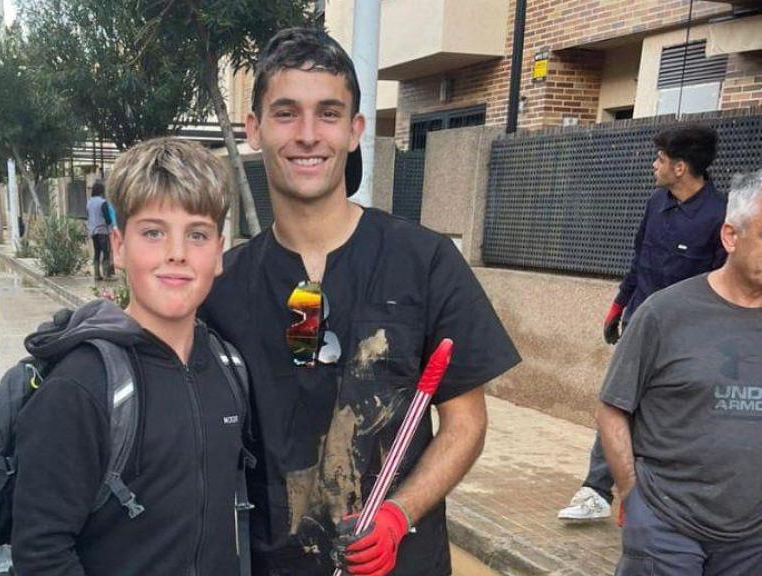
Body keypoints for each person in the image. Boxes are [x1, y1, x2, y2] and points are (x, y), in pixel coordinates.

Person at [199, 28, 521, 576]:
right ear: (253, 130)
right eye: (285, 113)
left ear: (354, 131)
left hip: (401, 563)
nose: (307, 134)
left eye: (328, 114)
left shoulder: (424, 260)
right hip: (267, 563)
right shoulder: (220, 284)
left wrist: (400, 513)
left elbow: (466, 422)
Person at [12, 138, 246, 575]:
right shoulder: (81, 386)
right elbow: (41, 554)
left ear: (219, 252)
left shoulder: (229, 370)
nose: (176, 252)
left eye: (197, 234)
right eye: (153, 232)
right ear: (118, 246)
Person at [597, 169, 762, 575]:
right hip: (666, 528)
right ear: (730, 237)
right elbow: (613, 408)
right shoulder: (664, 313)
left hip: (751, 540)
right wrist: (633, 496)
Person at [559, 125, 726, 522]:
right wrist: (619, 305)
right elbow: (639, 259)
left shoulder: (719, 216)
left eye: (661, 160)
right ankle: (596, 491)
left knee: (666, 416)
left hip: (689, 337)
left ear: (681, 167)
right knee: (616, 403)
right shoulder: (656, 203)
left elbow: (723, 284)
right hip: (639, 322)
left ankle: (654, 497)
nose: (655, 165)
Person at [85, 181, 112, 280]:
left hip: (93, 231)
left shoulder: (89, 202)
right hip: (102, 230)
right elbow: (107, 217)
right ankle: (106, 274)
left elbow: (88, 216)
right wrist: (110, 224)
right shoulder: (103, 202)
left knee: (97, 252)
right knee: (105, 252)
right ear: (101, 191)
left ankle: (96, 274)